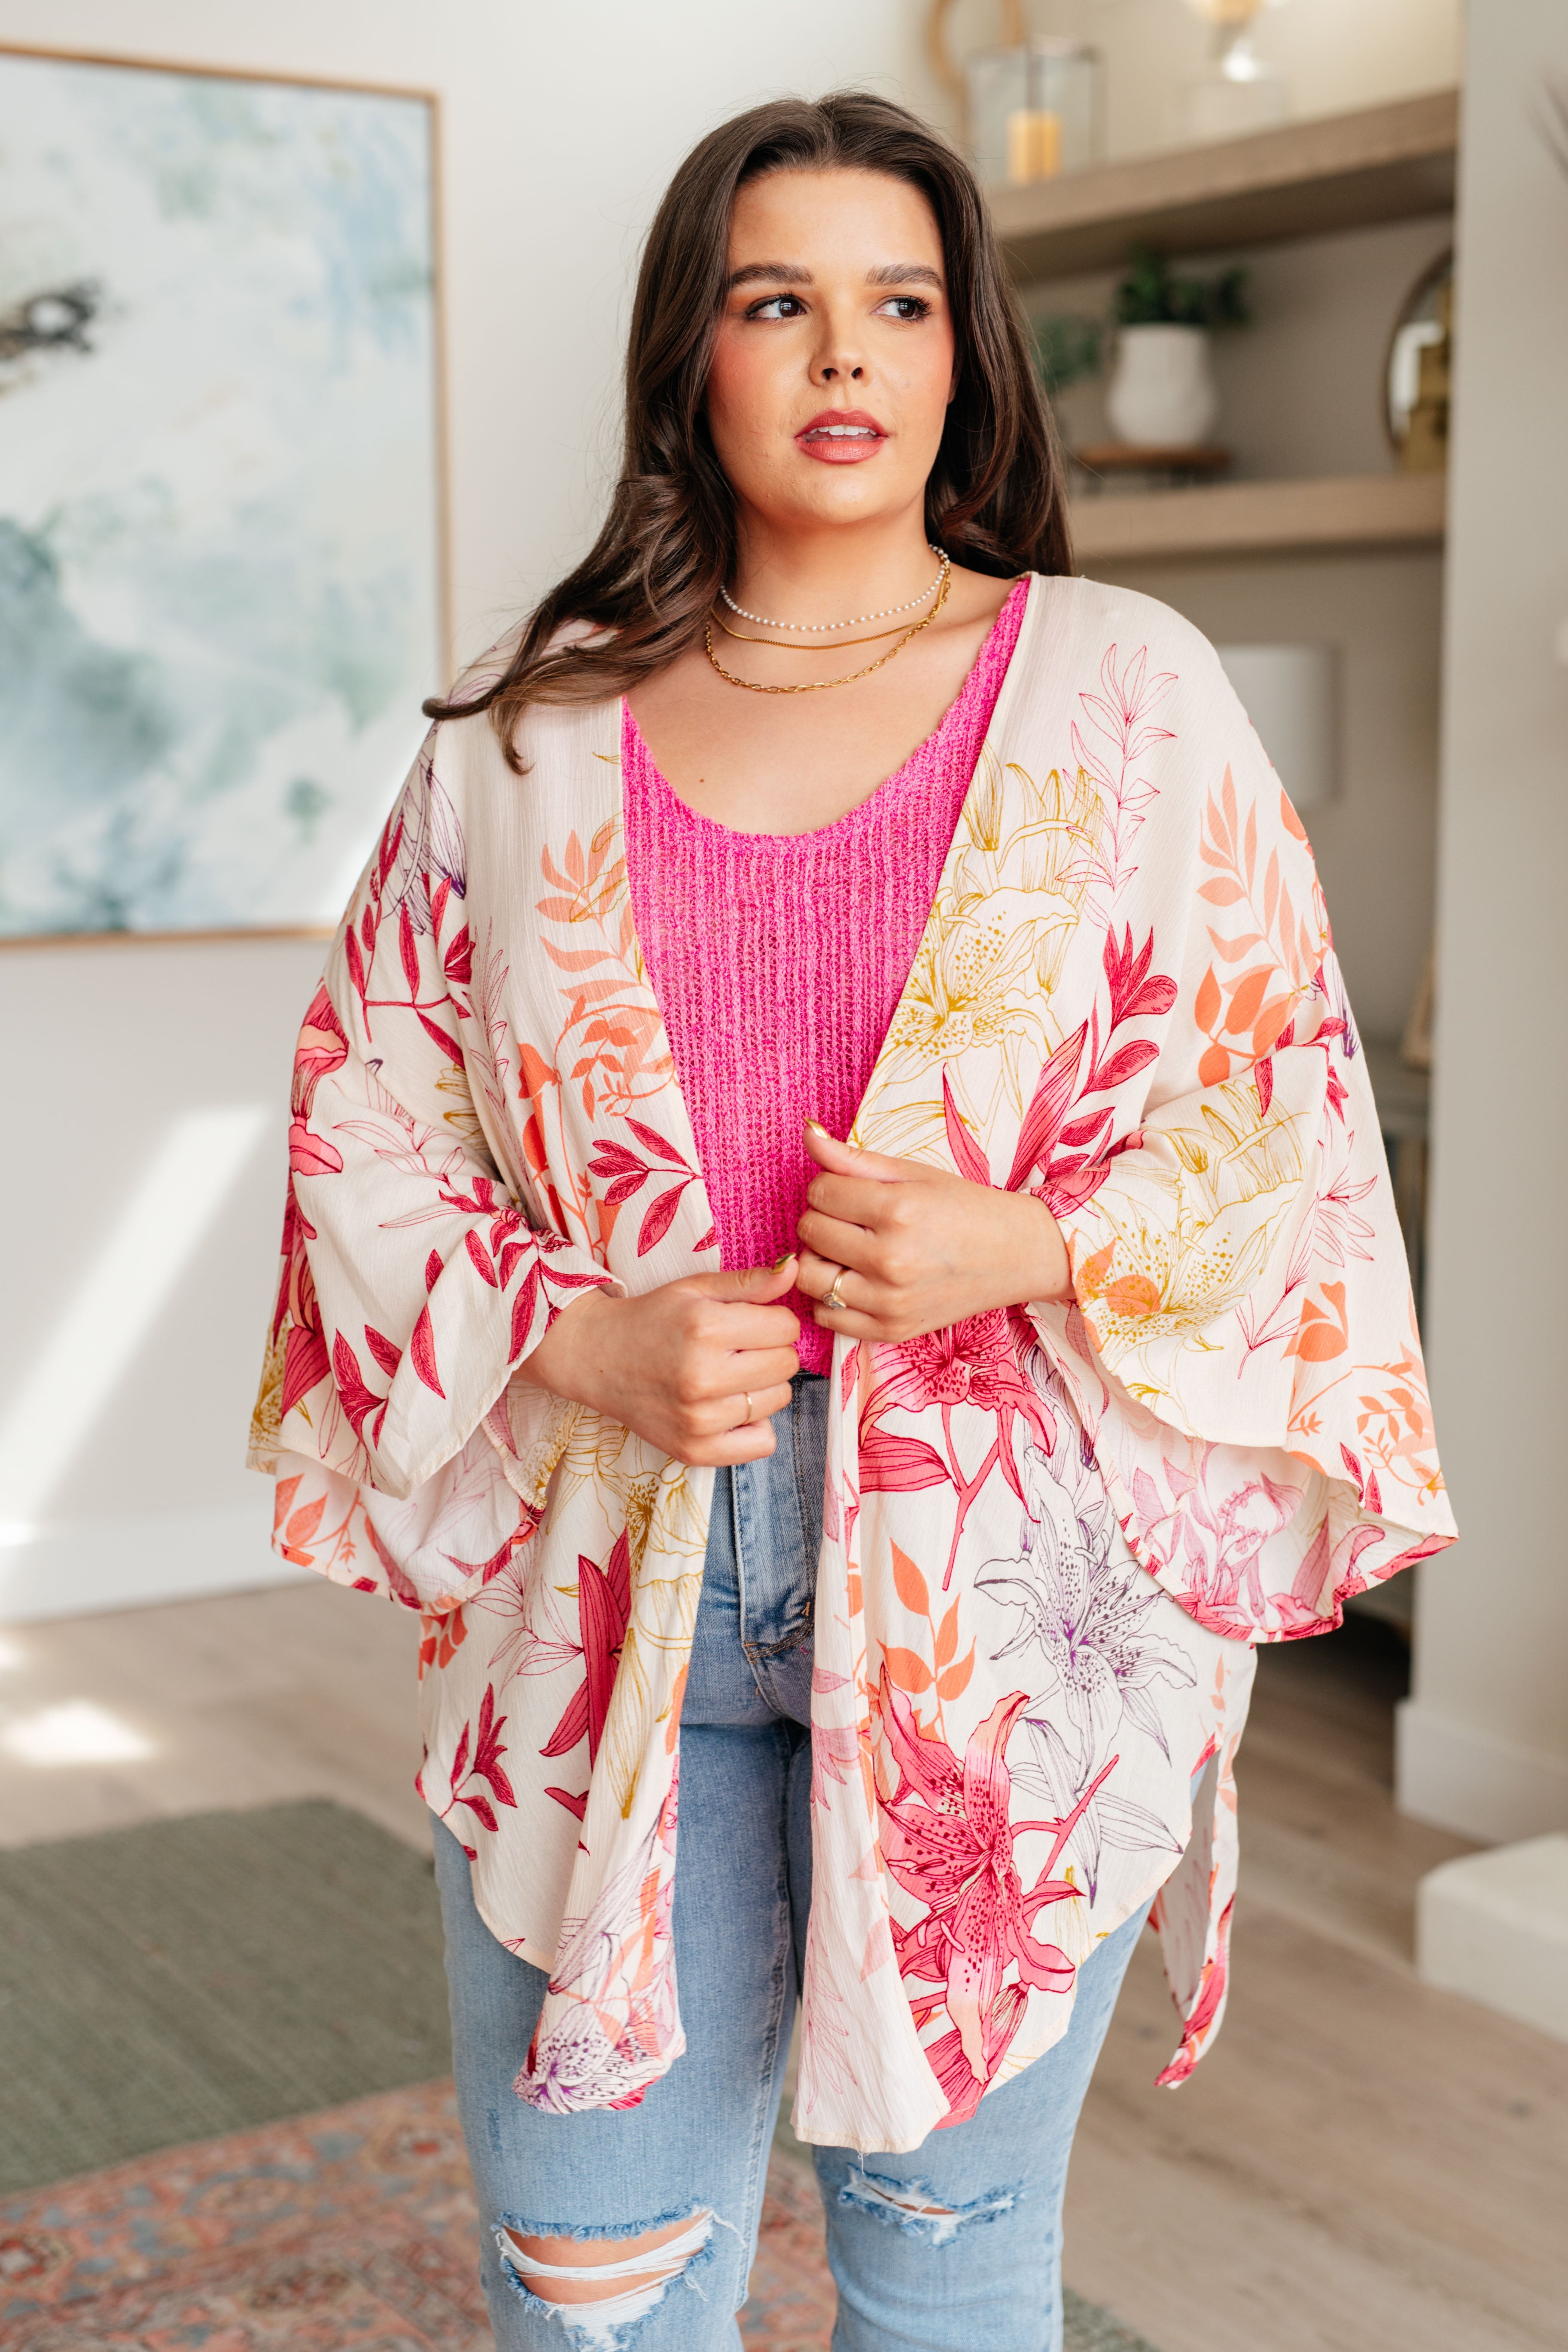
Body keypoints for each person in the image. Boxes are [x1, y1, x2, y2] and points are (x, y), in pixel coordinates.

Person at [249, 92, 1453, 2352]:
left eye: (897, 300)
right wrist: (565, 1338)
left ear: (961, 350)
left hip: (1012, 1600)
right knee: (591, 2283)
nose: (844, 353)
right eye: (773, 298)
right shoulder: (527, 740)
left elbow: (1279, 1116)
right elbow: (368, 1115)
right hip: (614, 1590)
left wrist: (1037, 1237)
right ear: (689, 357)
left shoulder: (1123, 696)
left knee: (944, 2268)